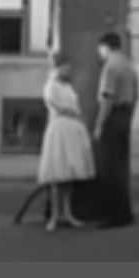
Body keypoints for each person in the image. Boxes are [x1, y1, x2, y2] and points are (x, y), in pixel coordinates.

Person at [37, 50, 96, 232]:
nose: (68, 71)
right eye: (65, 68)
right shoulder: (51, 87)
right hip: (60, 128)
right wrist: (75, 113)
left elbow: (75, 105)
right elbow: (61, 107)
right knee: (58, 174)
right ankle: (55, 215)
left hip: (72, 128)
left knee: (70, 174)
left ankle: (68, 212)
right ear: (58, 68)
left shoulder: (68, 87)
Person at [92, 32, 139, 228]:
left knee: (109, 168)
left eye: (100, 49)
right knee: (121, 167)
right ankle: (125, 211)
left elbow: (107, 98)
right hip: (125, 116)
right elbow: (136, 96)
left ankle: (112, 214)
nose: (99, 53)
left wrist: (99, 124)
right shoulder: (129, 65)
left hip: (112, 117)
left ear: (106, 47)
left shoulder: (110, 67)